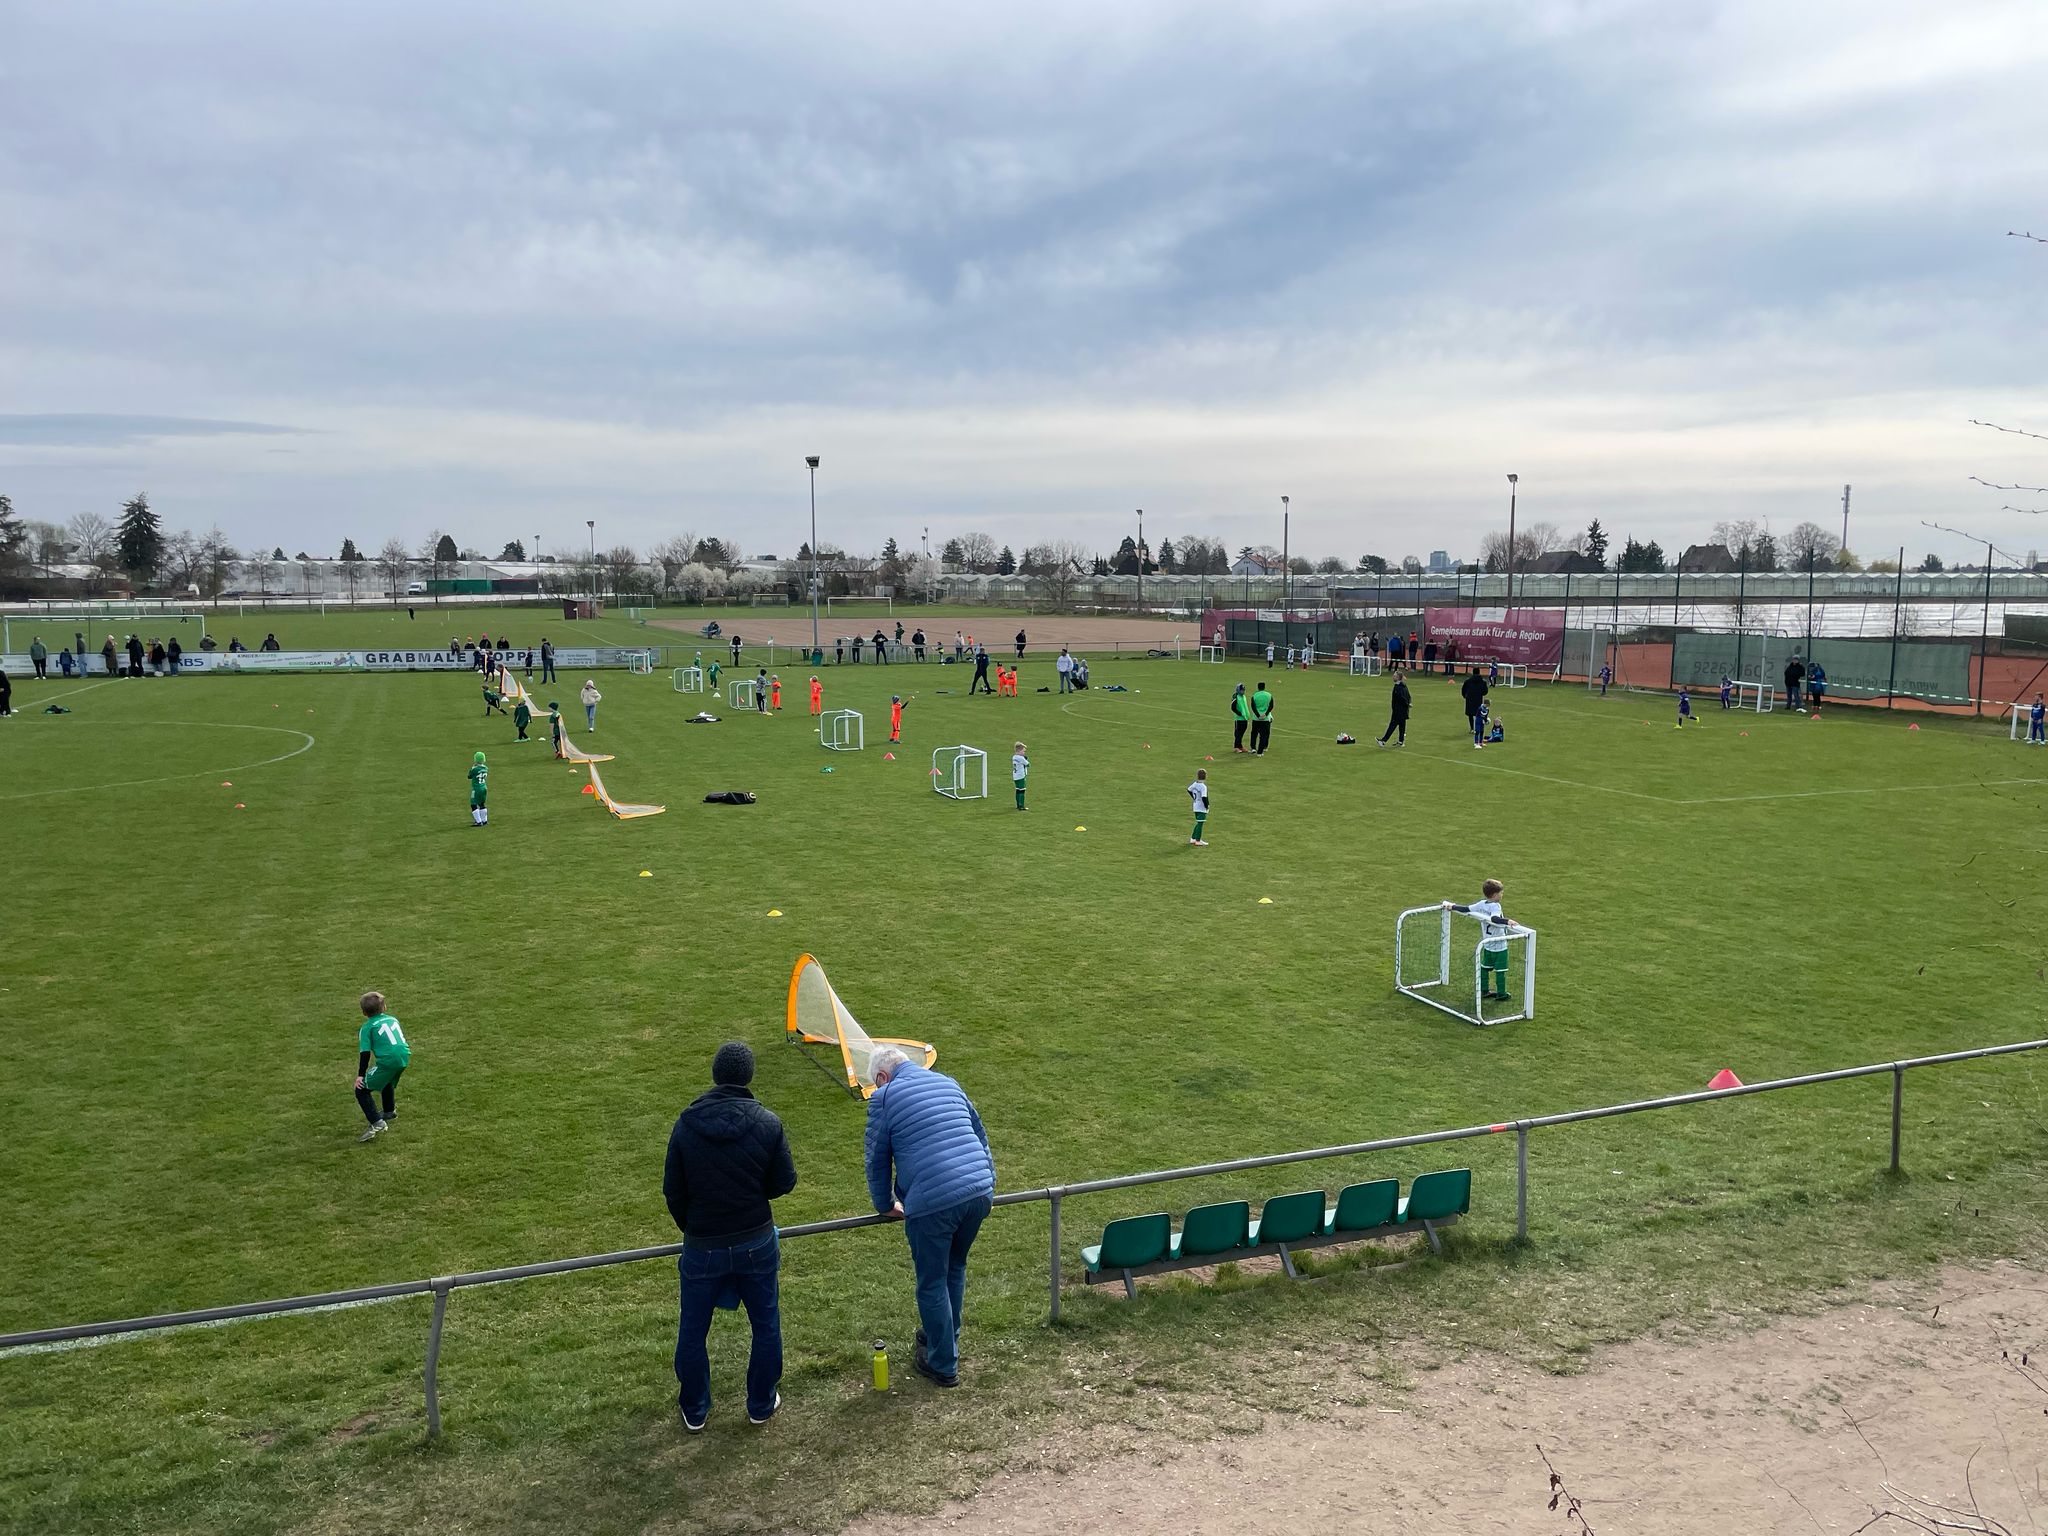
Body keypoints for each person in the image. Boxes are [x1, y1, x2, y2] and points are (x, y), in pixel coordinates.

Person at [664, 1040, 797, 1431]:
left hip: (703, 1243)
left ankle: (695, 1408)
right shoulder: (767, 1122)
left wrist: (693, 1227)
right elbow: (784, 1182)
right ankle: (761, 1403)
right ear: (748, 1077)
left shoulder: (687, 1125)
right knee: (766, 1324)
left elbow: (673, 1190)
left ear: (715, 1075)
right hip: (756, 1239)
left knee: (693, 1329)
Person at [863, 1045, 995, 1389]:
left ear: (882, 1077)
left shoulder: (884, 1098)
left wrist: (885, 1203)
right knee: (955, 1267)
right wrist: (988, 1184)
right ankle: (944, 1338)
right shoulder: (949, 1082)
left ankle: (943, 1363)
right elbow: (980, 1135)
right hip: (978, 1191)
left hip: (933, 1201)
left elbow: (877, 1159)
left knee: (932, 1280)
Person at [351, 990, 411, 1142]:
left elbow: (365, 1053)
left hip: (388, 1061)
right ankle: (389, 1111)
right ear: (384, 1007)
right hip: (404, 1055)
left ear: (364, 1013)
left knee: (361, 1089)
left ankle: (377, 1122)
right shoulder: (392, 1019)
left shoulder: (367, 1028)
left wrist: (360, 1075)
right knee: (386, 1078)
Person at [1443, 881, 1516, 1003]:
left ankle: (1484, 990)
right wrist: (1508, 921)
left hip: (1487, 944)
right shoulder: (1495, 906)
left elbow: (1466, 909)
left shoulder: (1481, 904)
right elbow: (1495, 918)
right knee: (1501, 971)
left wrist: (1452, 906)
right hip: (1499, 945)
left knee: (1485, 968)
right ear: (1494, 895)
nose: (1502, 895)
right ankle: (1502, 993)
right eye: (1501, 893)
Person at [1378, 668, 1412, 747]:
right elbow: (1408, 696)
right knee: (1402, 726)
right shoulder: (1404, 686)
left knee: (1392, 725)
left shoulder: (1398, 688)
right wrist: (1409, 704)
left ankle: (1383, 741)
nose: (1393, 677)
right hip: (1403, 710)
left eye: (1394, 676)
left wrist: (1407, 704)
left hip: (1398, 710)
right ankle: (1401, 741)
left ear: (1398, 678)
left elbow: (1401, 698)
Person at [1461, 666, 1489, 744]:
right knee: (1478, 714)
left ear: (1473, 672)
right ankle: (1478, 728)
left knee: (1470, 714)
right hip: (1478, 699)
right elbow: (1485, 692)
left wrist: (1465, 695)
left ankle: (1472, 728)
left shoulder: (1468, 681)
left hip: (1469, 699)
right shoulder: (1483, 682)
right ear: (1479, 672)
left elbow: (1463, 689)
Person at [1248, 681, 1274, 755]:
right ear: (1264, 687)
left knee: (1254, 733)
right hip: (1265, 719)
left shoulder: (1254, 695)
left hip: (1256, 718)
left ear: (1258, 687)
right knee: (1263, 735)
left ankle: (1253, 748)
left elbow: (1253, 707)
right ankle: (1260, 751)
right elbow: (1271, 706)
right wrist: (1265, 714)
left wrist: (1258, 715)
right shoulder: (1269, 695)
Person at [1187, 769, 1209, 846]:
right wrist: (1207, 806)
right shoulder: (1203, 787)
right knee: (1200, 823)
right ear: (1205, 776)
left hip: (1195, 805)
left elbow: (1189, 789)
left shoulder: (1195, 784)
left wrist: (1194, 798)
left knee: (1198, 822)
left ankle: (1193, 838)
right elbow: (1204, 797)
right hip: (1201, 807)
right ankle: (1198, 841)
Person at [468, 750, 490, 825]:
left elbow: (469, 776)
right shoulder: (486, 768)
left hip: (476, 788)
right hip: (484, 788)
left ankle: (478, 822)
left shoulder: (475, 769)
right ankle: (484, 820)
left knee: (473, 804)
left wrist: (472, 768)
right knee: (481, 804)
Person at [1230, 682, 1251, 753]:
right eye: (1242, 690)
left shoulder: (1243, 696)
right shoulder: (1235, 696)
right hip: (1239, 718)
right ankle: (1236, 747)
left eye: (1244, 690)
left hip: (1245, 717)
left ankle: (1240, 746)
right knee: (1238, 733)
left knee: (1242, 732)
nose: (1243, 691)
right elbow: (1233, 707)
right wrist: (1239, 713)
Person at [1011, 741, 1028, 810]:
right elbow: (1028, 764)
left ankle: (1018, 805)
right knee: (1022, 790)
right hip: (1021, 776)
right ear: (1020, 751)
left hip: (1015, 776)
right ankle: (1021, 806)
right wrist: (1026, 759)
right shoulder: (1021, 758)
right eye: (1023, 751)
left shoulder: (1014, 757)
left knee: (1018, 790)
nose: (1024, 753)